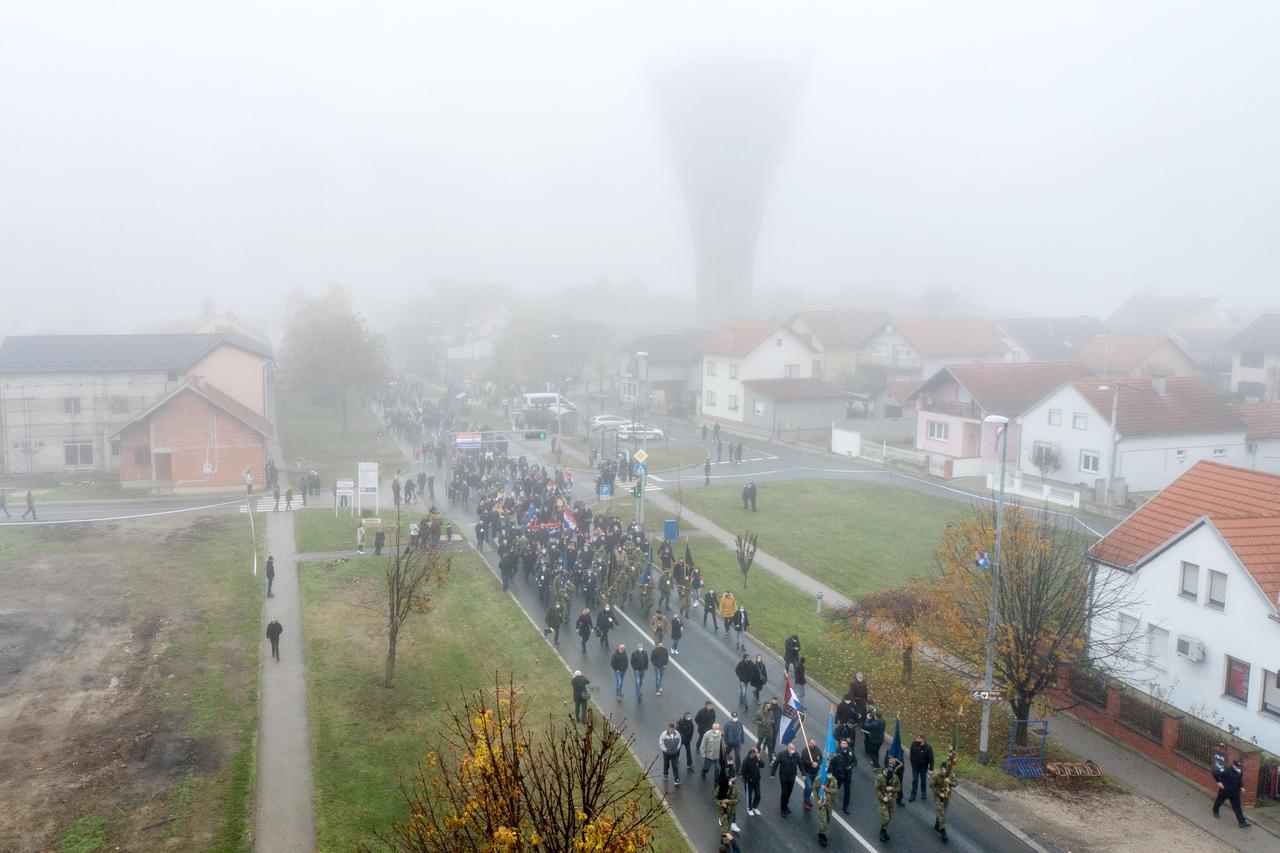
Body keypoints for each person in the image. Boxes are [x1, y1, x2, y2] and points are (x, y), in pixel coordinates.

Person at [1212, 756, 1252, 828]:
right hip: (1225, 790)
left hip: (1235, 792)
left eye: (1239, 766)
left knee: (1237, 807)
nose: (1239, 768)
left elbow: (1239, 780)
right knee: (1219, 801)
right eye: (1237, 766)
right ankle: (1215, 811)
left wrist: (1241, 787)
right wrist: (1218, 782)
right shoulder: (1226, 769)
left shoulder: (1239, 771)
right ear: (1233, 765)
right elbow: (1215, 772)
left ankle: (1242, 822)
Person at [931, 748, 958, 841]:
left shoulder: (951, 775)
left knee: (942, 812)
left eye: (946, 769)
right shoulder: (936, 775)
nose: (944, 771)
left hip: (947, 797)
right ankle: (943, 832)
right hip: (938, 797)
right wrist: (939, 793)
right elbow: (931, 786)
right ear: (941, 768)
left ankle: (937, 824)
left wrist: (949, 782)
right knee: (941, 813)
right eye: (943, 769)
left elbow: (956, 784)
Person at [770, 741, 801, 816]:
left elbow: (800, 764)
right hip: (783, 777)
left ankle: (786, 806)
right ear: (788, 748)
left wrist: (803, 773)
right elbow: (776, 764)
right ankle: (783, 809)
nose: (792, 750)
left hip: (792, 777)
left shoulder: (796, 755)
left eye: (793, 748)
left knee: (789, 793)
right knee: (784, 792)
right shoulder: (781, 754)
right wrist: (772, 774)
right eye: (791, 748)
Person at [876, 757, 902, 842]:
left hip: (891, 800)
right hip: (882, 801)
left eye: (892, 766)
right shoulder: (880, 777)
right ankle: (881, 831)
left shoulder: (895, 777)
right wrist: (882, 797)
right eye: (889, 767)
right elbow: (876, 789)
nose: (890, 769)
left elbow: (899, 788)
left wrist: (892, 789)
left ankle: (884, 830)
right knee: (886, 818)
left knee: (889, 818)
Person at [830, 737, 857, 814]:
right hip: (838, 775)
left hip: (847, 775)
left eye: (845, 743)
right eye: (842, 743)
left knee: (847, 791)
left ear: (847, 744)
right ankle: (830, 800)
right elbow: (832, 762)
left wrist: (851, 766)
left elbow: (855, 762)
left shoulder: (851, 751)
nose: (844, 745)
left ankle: (845, 807)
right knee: (835, 788)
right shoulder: (836, 751)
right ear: (840, 744)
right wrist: (831, 772)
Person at [715, 765, 742, 833]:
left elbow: (733, 780)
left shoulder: (732, 769)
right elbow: (718, 781)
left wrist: (732, 781)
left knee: (733, 808)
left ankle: (733, 824)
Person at [909, 731, 935, 802]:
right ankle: (913, 794)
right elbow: (911, 754)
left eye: (918, 738)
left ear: (922, 739)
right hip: (915, 767)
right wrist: (912, 763)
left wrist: (931, 769)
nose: (916, 739)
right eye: (916, 738)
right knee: (915, 780)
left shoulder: (928, 748)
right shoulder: (914, 744)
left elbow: (931, 759)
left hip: (923, 768)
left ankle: (923, 793)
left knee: (923, 780)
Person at [799, 737, 823, 809]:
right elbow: (803, 761)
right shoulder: (805, 751)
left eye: (814, 743)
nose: (813, 745)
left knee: (810, 788)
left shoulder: (818, 750)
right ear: (809, 743)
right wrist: (811, 763)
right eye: (811, 743)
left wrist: (817, 763)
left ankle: (807, 799)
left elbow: (821, 759)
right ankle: (807, 802)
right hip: (807, 773)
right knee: (809, 787)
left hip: (814, 773)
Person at [741, 746, 763, 816]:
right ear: (752, 753)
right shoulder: (746, 761)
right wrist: (749, 779)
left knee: (758, 795)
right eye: (756, 752)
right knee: (749, 796)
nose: (757, 754)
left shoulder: (756, 758)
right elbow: (743, 772)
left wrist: (759, 759)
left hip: (756, 781)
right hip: (749, 782)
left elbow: (762, 765)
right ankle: (749, 808)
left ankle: (754, 807)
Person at [817, 777, 837, 847]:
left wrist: (827, 789)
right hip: (822, 804)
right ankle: (822, 836)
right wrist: (817, 800)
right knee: (824, 821)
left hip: (829, 804)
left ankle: (822, 832)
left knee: (828, 820)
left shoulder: (834, 780)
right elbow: (815, 789)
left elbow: (835, 790)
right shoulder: (820, 779)